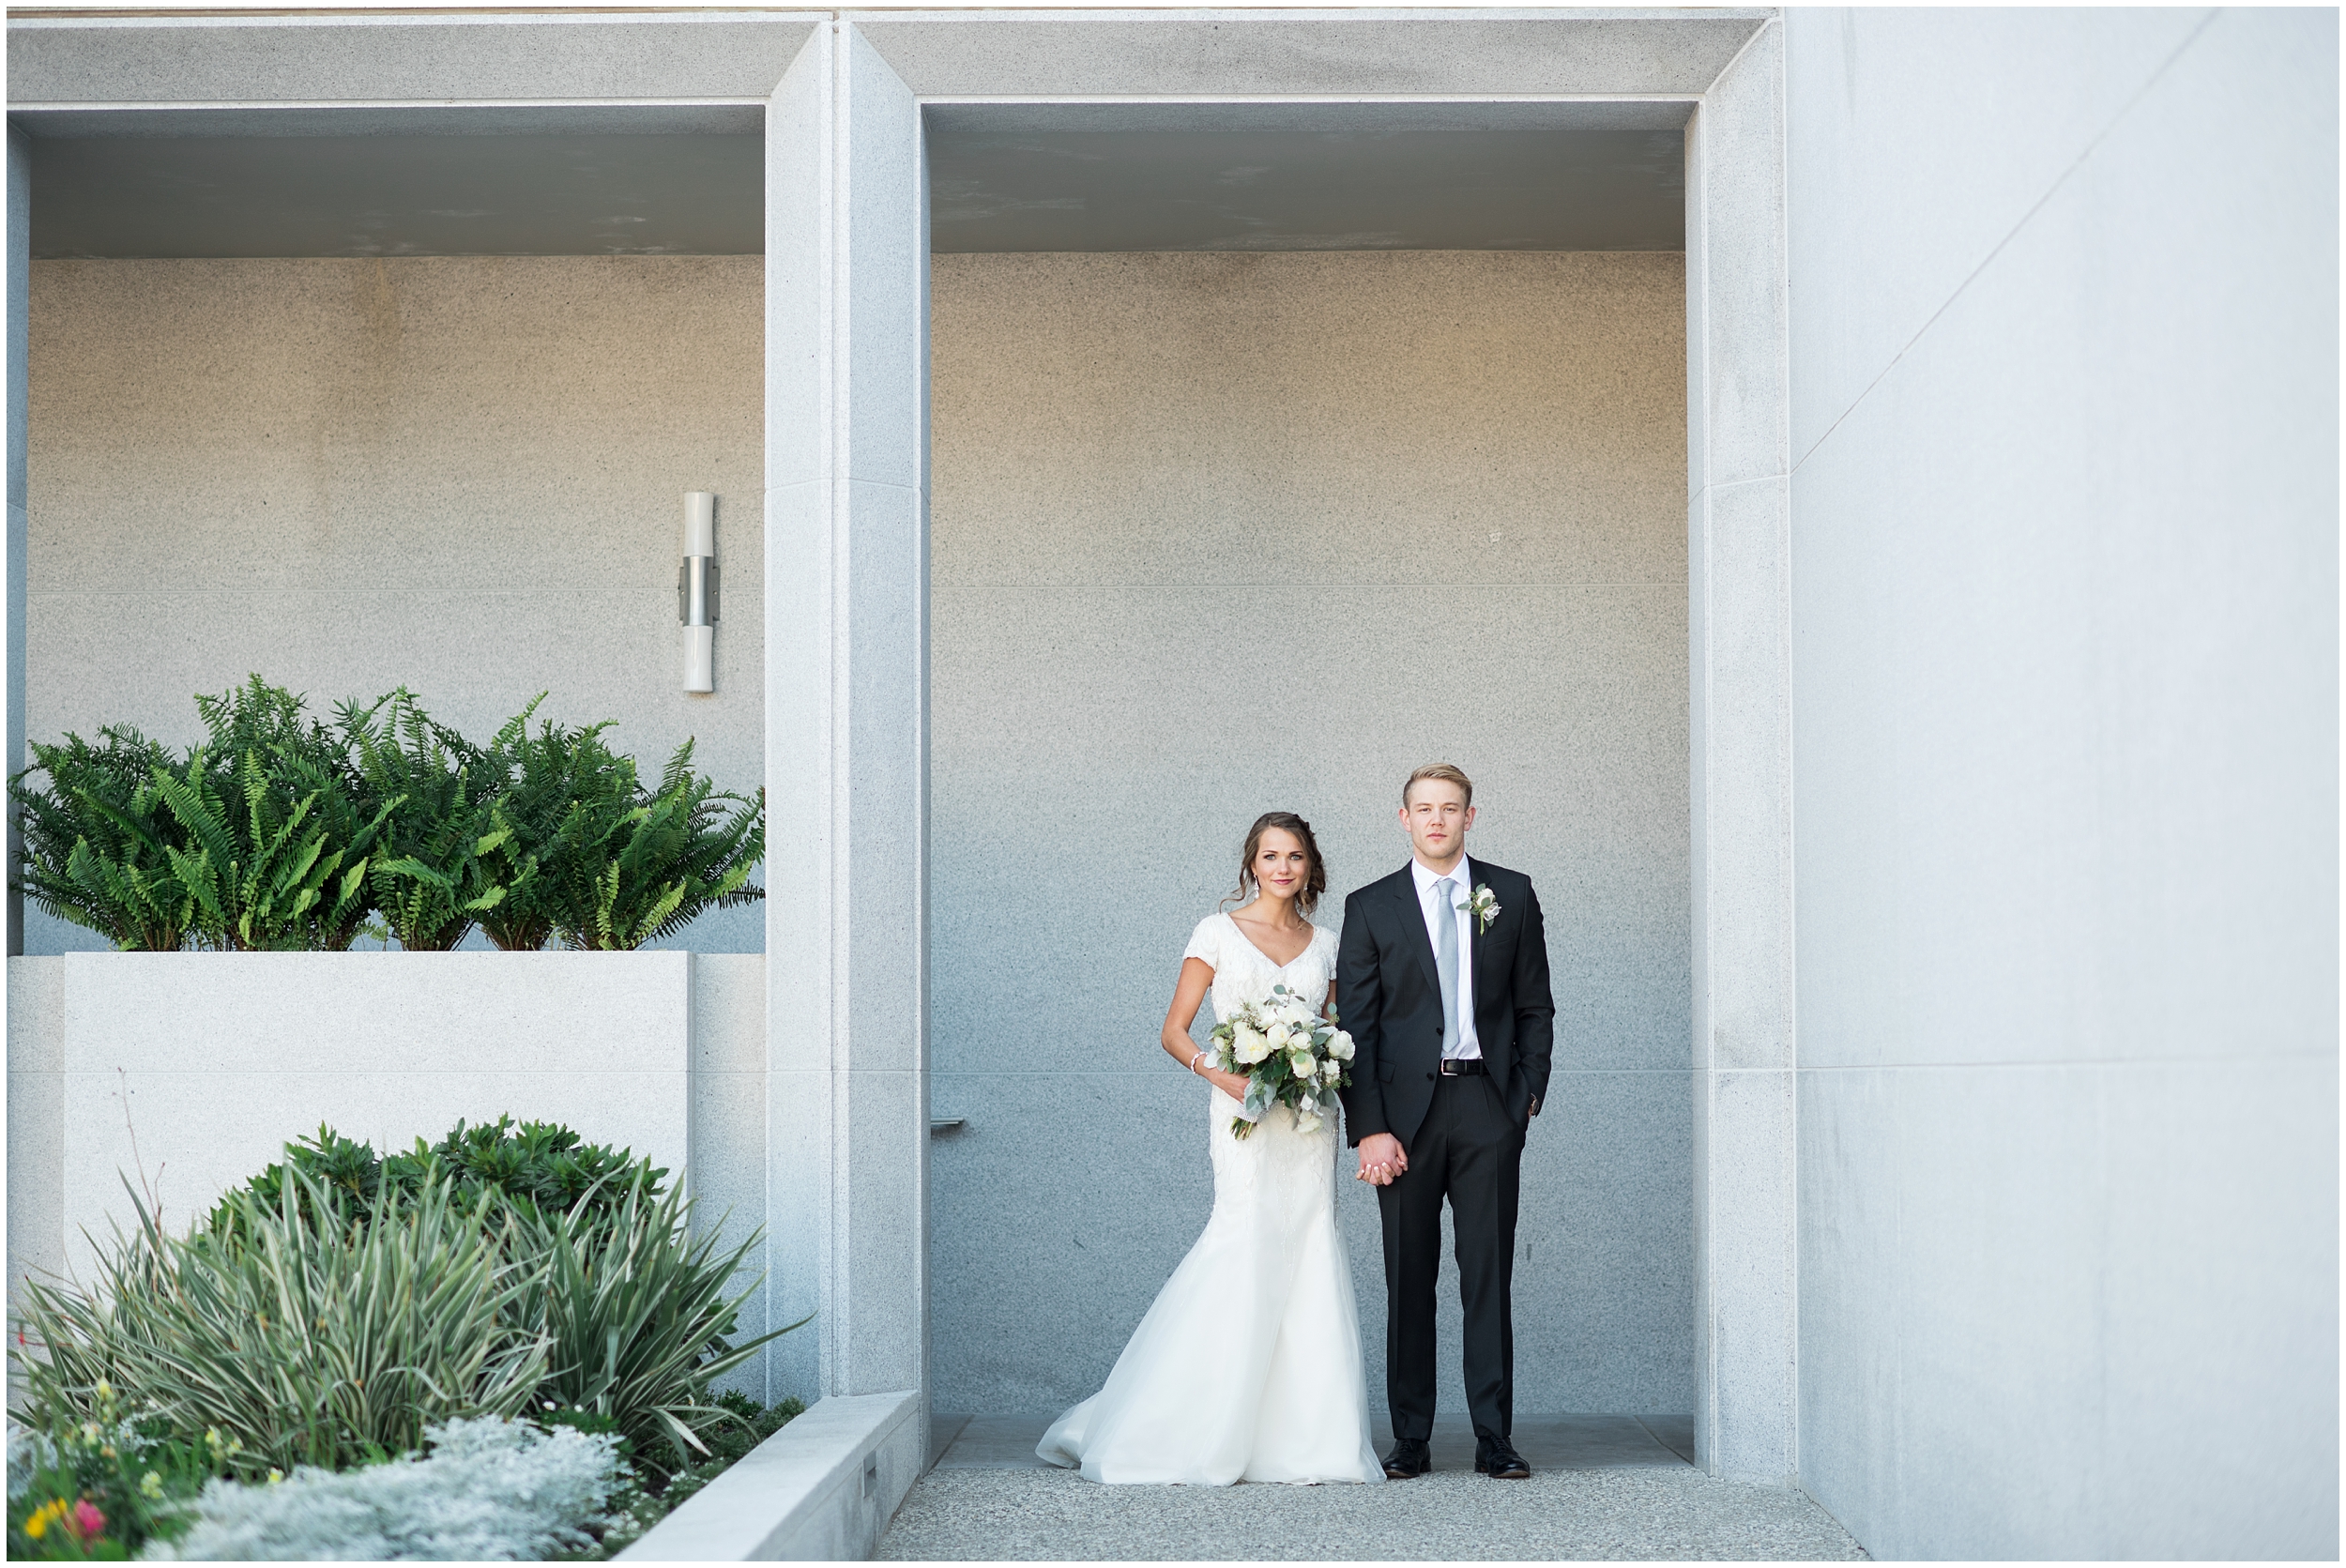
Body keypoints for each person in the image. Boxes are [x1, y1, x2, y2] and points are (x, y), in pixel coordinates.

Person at [1037, 811, 1383, 1485]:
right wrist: (1224, 1075)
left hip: (1308, 1123)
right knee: (1244, 1236)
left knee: (1311, 1243)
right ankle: (1195, 1422)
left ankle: (1309, 1438)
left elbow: (1338, 1031)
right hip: (1242, 1118)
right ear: (1251, 863)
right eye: (1270, 855)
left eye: (1296, 856)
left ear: (1311, 867)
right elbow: (1174, 1029)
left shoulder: (1328, 943)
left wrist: (1317, 1066)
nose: (1283, 866)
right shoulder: (1216, 933)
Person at [1336, 764, 1555, 1481]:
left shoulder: (1511, 893)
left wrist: (1522, 1099)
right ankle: (1412, 1440)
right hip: (1403, 1122)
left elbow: (1534, 1007)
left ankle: (1495, 1438)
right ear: (1403, 818)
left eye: (1450, 808)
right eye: (1423, 809)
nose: (1437, 820)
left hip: (1486, 1107)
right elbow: (1356, 1026)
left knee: (1487, 1277)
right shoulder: (1371, 906)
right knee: (1409, 1278)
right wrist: (1369, 1124)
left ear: (1470, 816)